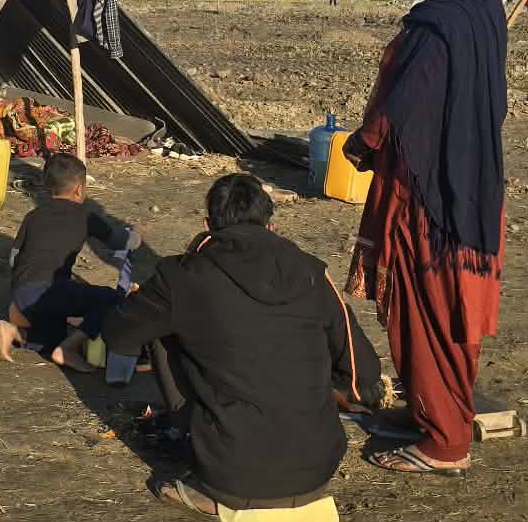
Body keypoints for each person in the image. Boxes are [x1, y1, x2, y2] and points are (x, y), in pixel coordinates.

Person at [103, 174, 382, 518]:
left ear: (207, 225)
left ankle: (207, 478)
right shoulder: (311, 272)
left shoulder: (181, 276)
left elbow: (119, 335)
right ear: (272, 224)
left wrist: (139, 306)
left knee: (161, 325)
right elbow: (364, 371)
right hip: (319, 466)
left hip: (231, 472)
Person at [342, 0, 507, 476]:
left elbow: (404, 108)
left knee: (424, 310)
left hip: (429, 196)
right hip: (470, 186)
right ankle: (436, 413)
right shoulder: (481, 16)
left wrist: (363, 144)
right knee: (447, 310)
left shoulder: (438, 26)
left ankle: (445, 442)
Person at [0, 152, 137, 370]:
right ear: (79, 188)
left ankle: (13, 332)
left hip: (22, 292)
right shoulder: (86, 216)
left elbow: (13, 258)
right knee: (113, 300)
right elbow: (119, 242)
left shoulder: (34, 216)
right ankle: (67, 349)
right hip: (50, 291)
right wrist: (136, 235)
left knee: (53, 336)